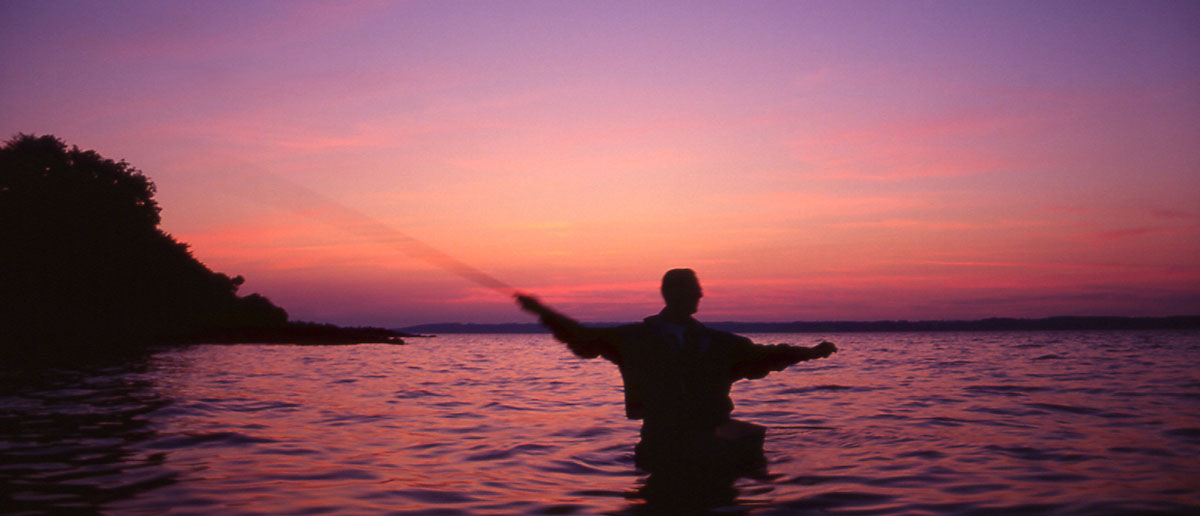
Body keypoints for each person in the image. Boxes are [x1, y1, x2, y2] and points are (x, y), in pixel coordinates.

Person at [515, 268, 837, 474]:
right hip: (659, 444)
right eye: (694, 288)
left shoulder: (719, 343)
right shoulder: (633, 340)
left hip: (711, 444)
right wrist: (540, 311)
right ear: (675, 294)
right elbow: (581, 338)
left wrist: (811, 353)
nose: (700, 294)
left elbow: (766, 357)